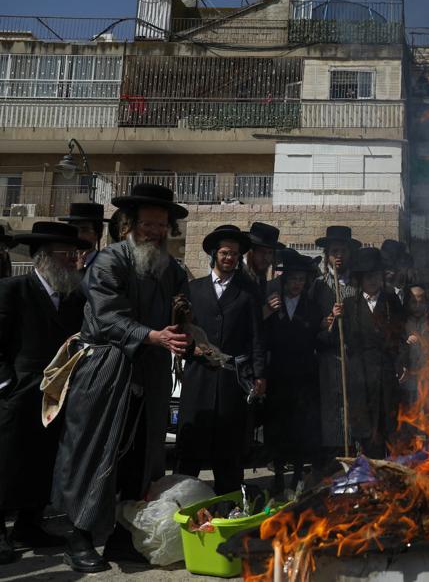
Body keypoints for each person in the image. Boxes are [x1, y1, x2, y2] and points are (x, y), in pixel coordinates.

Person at [52, 183, 191, 572]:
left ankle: (121, 538)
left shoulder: (172, 270)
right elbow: (107, 316)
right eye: (148, 223)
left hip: (152, 374)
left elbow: (183, 317)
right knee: (95, 453)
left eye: (162, 225)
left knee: (141, 460)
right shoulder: (110, 261)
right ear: (130, 223)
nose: (155, 231)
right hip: (108, 371)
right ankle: (78, 538)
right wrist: (152, 336)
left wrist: (191, 338)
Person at [0, 222, 90, 564]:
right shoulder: (13, 289)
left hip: (55, 397)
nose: (74, 261)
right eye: (67, 254)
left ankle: (28, 524)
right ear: (44, 258)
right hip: (16, 395)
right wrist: (6, 384)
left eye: (75, 254)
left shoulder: (74, 298)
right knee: (8, 463)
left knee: (42, 463)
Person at [176, 225, 265, 494]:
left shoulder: (247, 294)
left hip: (232, 381)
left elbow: (257, 338)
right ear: (214, 255)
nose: (229, 258)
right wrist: (192, 351)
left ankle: (228, 505)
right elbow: (181, 332)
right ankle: (182, 503)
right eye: (225, 253)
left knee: (229, 449)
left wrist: (260, 374)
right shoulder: (193, 289)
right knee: (190, 446)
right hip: (198, 378)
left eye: (235, 255)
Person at [264, 251, 330, 494]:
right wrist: (267, 311)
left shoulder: (312, 308)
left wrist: (328, 327)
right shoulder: (273, 302)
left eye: (301, 280)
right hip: (278, 375)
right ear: (285, 279)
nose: (297, 284)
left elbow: (319, 340)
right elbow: (262, 335)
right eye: (293, 279)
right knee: (279, 426)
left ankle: (299, 475)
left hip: (304, 376)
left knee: (301, 427)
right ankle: (279, 473)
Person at [342, 247, 407, 458]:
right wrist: (333, 321)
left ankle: (388, 473)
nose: (372, 281)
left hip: (386, 370)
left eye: (376, 276)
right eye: (368, 276)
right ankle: (369, 469)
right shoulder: (349, 305)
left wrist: (402, 362)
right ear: (360, 279)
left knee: (388, 423)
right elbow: (344, 340)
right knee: (366, 425)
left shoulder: (391, 302)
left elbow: (401, 335)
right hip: (360, 374)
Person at [313, 226, 361, 456]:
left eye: (343, 251)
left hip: (352, 355)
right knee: (331, 407)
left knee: (351, 406)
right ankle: (330, 458)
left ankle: (352, 452)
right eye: (334, 251)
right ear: (327, 256)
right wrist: (325, 321)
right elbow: (311, 322)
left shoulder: (357, 286)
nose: (338, 255)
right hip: (327, 358)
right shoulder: (318, 286)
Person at [402, 284, 429, 407]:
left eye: (421, 301)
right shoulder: (402, 321)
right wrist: (406, 341)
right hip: (409, 372)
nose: (417, 306)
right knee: (411, 407)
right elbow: (396, 343)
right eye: (413, 302)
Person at [58, 202, 108, 271]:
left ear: (97, 233)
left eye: (84, 230)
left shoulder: (106, 265)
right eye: (74, 229)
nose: (79, 235)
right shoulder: (62, 262)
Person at [242, 221, 283, 299]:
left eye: (270, 253)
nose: (266, 258)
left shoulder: (260, 276)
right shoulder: (237, 274)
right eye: (261, 252)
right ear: (251, 251)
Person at [380, 239, 414, 305]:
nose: (390, 272)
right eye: (385, 267)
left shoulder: (410, 295)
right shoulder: (374, 294)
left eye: (392, 268)